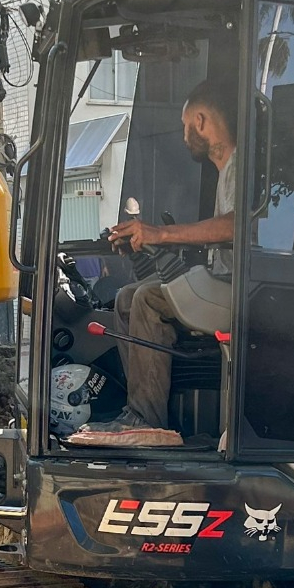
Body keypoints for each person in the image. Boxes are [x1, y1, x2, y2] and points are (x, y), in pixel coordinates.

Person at [65, 80, 237, 448]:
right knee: (128, 297)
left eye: (185, 126)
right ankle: (139, 410)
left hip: (239, 288)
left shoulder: (239, 166)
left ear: (201, 121)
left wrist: (160, 235)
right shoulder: (225, 170)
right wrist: (145, 245)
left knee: (147, 301)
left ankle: (147, 418)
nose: (184, 136)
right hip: (222, 281)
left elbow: (235, 228)